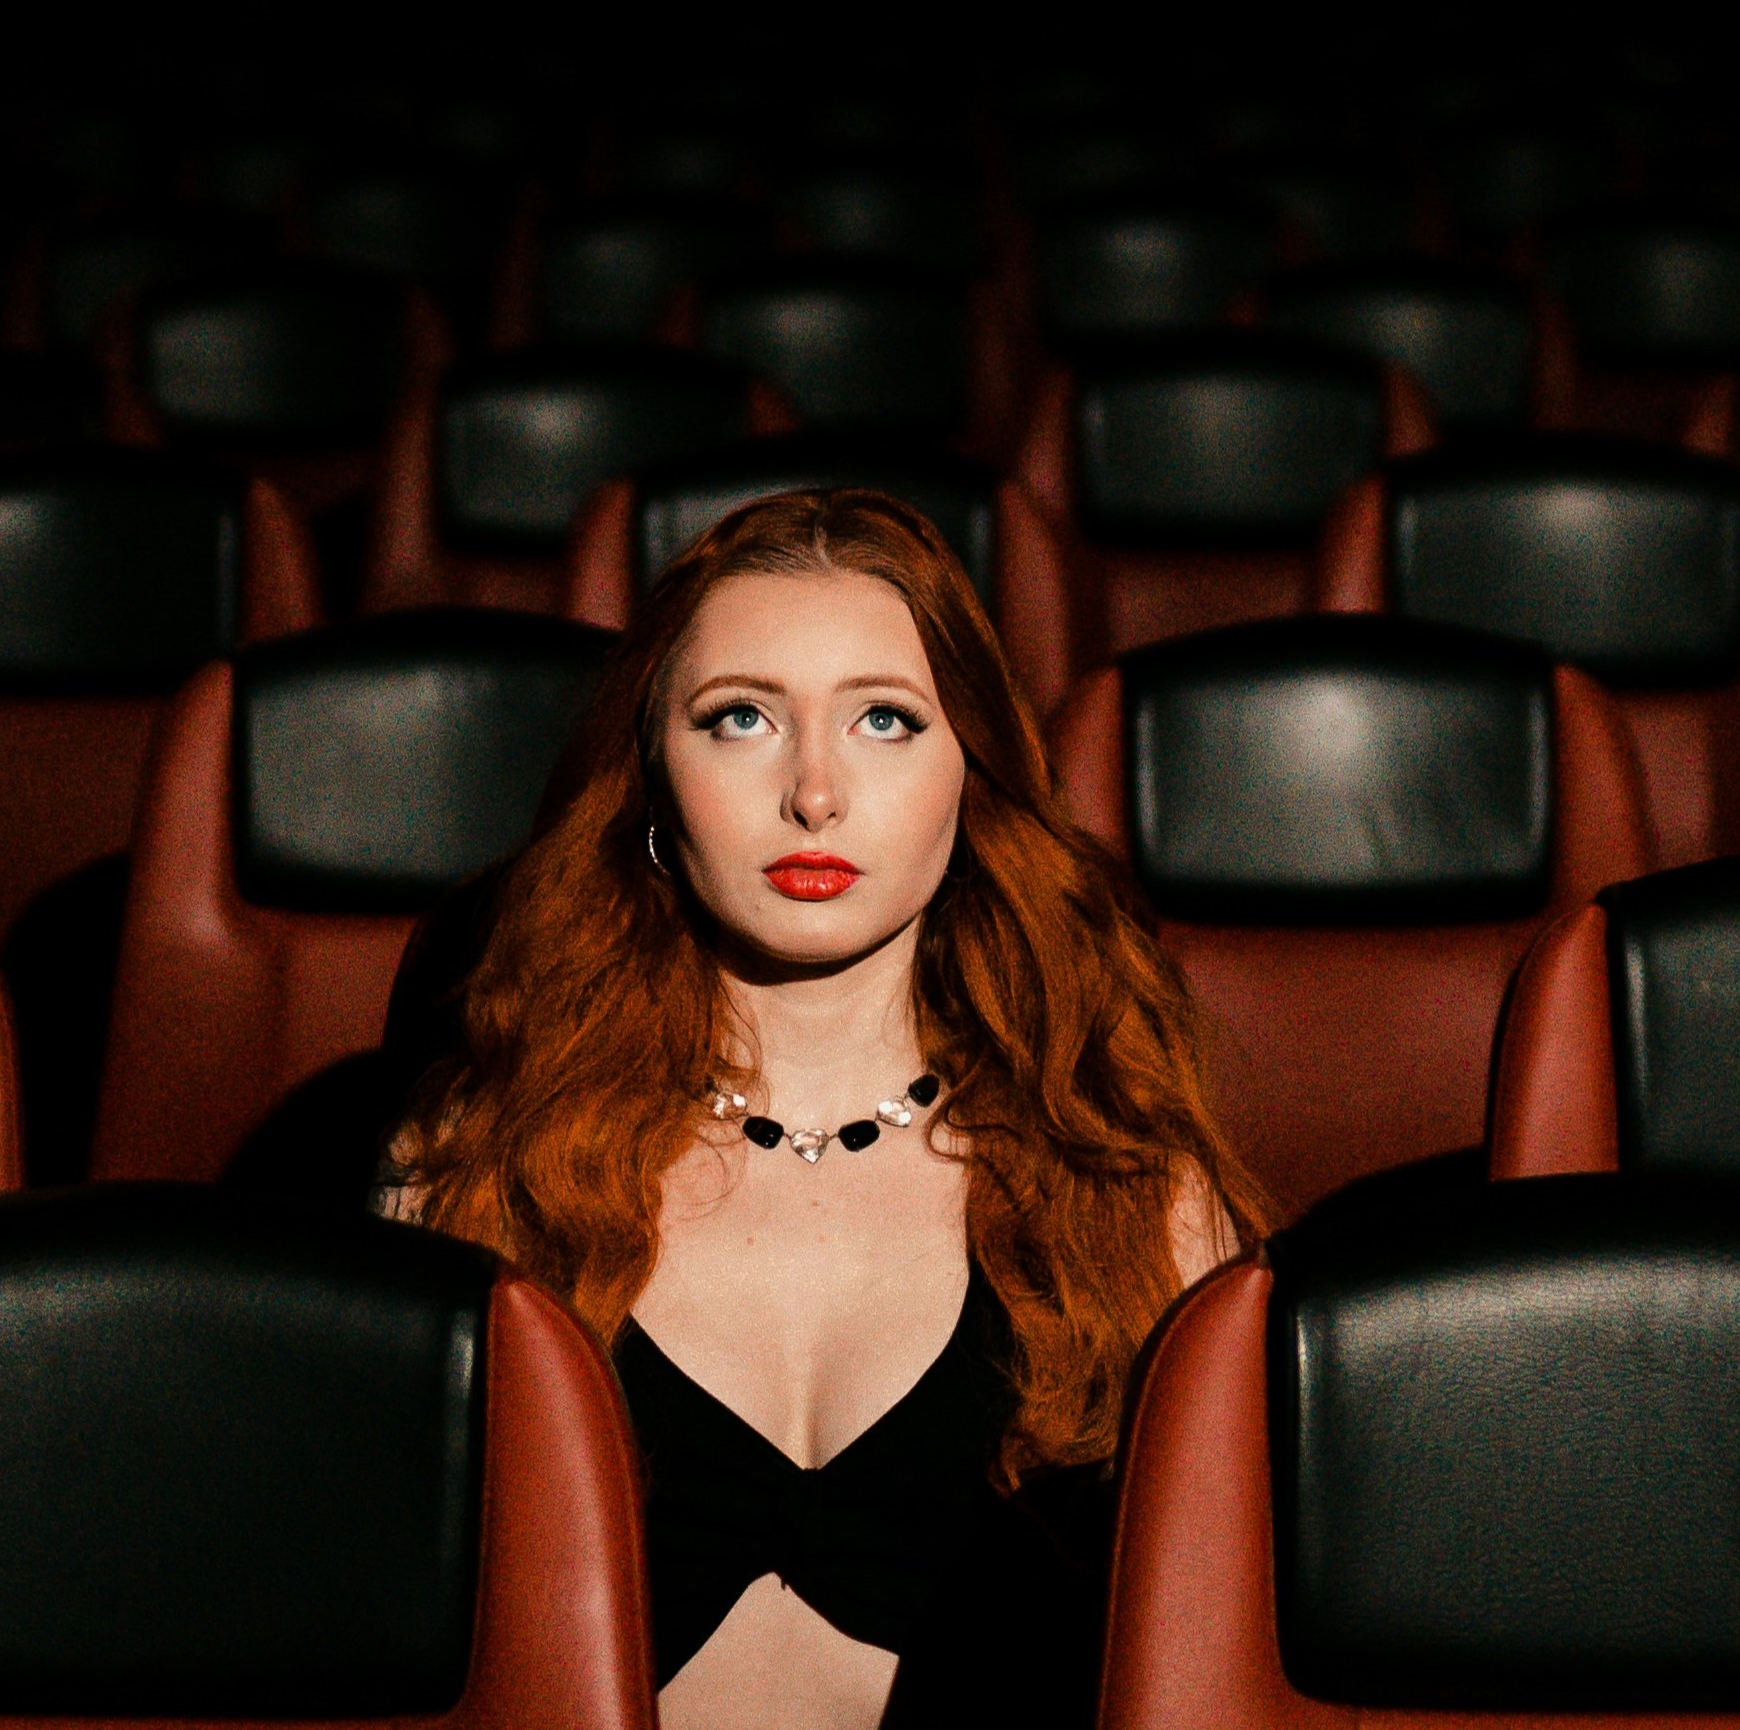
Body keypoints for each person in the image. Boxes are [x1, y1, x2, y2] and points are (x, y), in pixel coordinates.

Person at [388, 488, 1257, 1728]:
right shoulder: (475, 1177)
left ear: (974, 774)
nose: (813, 792)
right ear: (648, 774)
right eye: (739, 718)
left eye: (886, 721)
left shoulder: (1133, 1198)